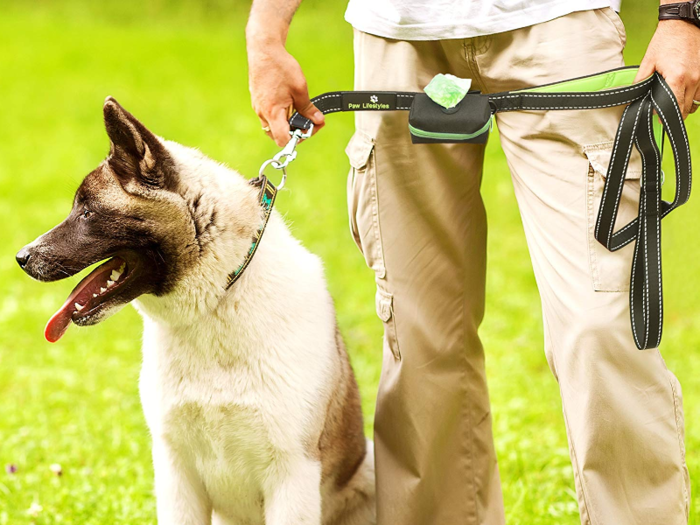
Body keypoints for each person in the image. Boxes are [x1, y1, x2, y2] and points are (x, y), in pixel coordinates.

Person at [246, 1, 699, 523]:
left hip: (560, 28)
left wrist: (682, 15)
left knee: (602, 329)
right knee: (420, 342)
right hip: (397, 36)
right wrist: (266, 32)